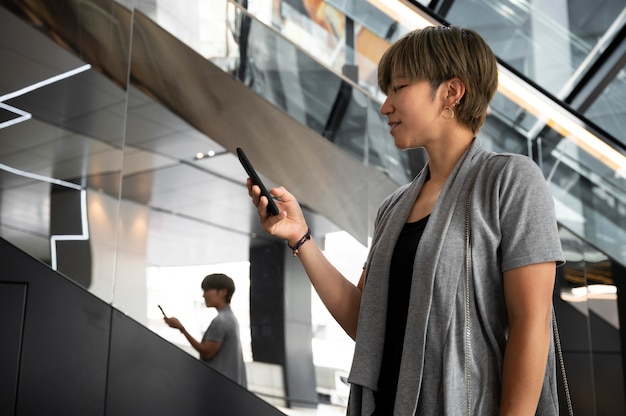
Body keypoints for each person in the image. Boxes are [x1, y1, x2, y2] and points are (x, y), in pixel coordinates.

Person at [247, 25, 564, 415]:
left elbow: (531, 325)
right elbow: (367, 324)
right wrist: (301, 238)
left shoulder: (510, 180)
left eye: (398, 88)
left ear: (451, 92)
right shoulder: (394, 207)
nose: (385, 105)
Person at [164, 273, 247, 388]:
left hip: (221, 387)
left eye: (207, 290)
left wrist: (182, 329)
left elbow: (207, 352)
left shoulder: (221, 321)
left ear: (222, 292)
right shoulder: (230, 318)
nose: (204, 295)